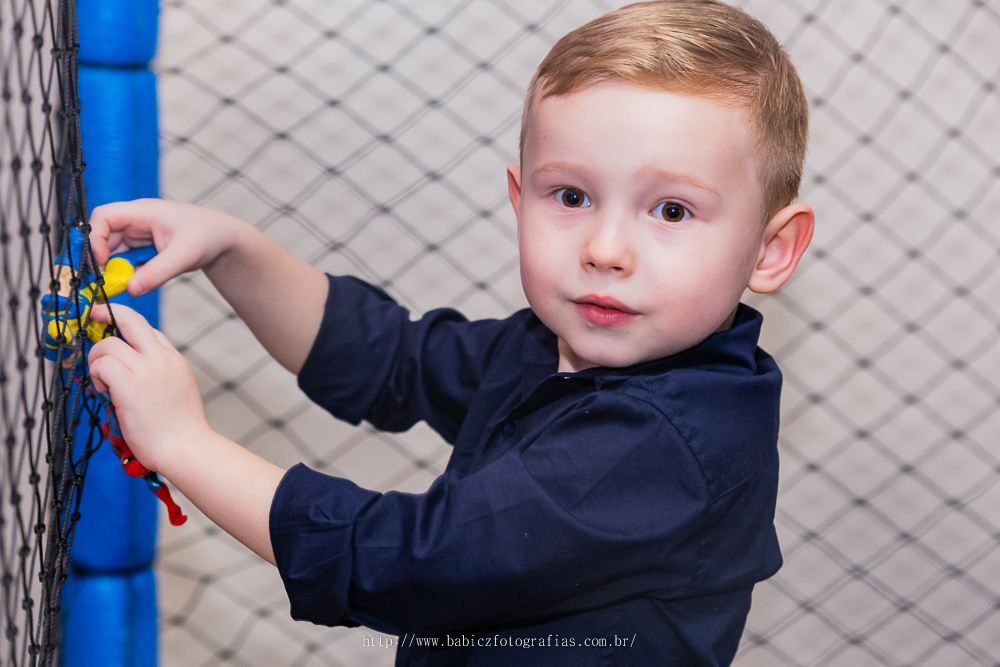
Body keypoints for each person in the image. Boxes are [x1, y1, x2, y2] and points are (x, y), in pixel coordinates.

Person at [85, 1, 814, 664]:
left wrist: (182, 442)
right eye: (571, 196)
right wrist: (234, 249)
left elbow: (404, 561)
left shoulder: (663, 443)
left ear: (771, 249)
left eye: (673, 211)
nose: (606, 248)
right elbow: (388, 358)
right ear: (518, 196)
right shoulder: (547, 346)